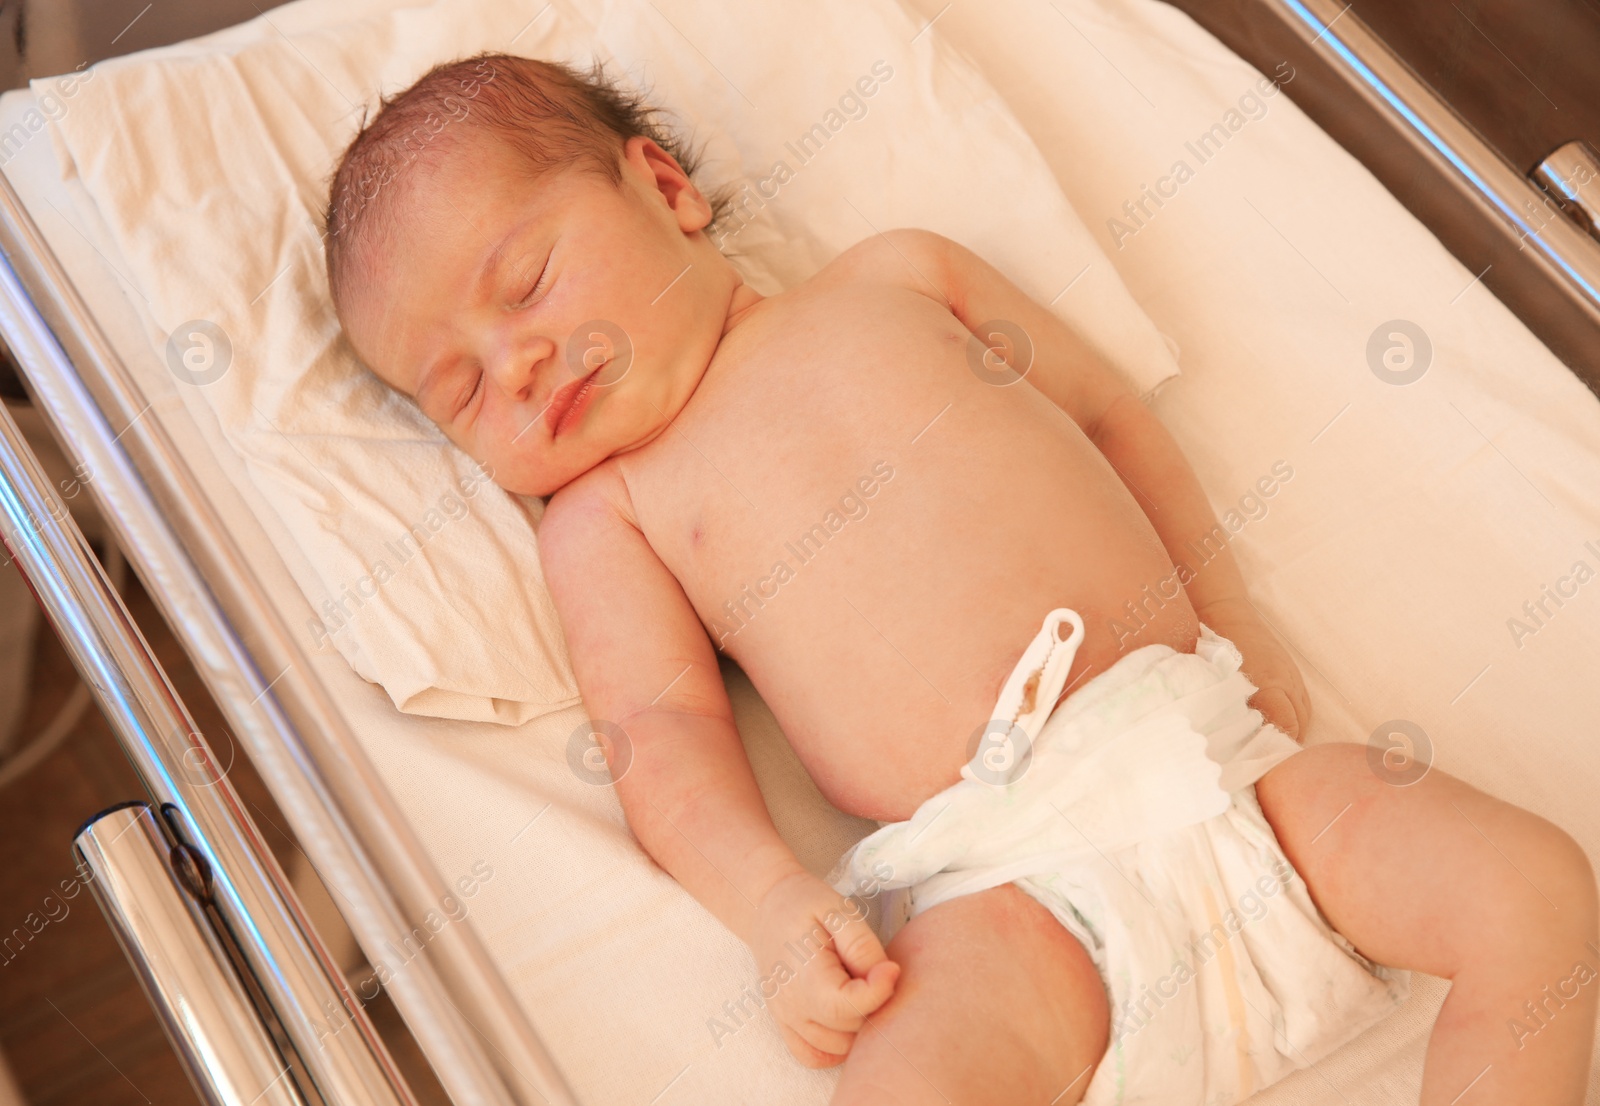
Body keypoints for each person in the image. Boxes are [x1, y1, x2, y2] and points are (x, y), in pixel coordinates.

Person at [323, 53, 1598, 1106]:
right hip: (1007, 887)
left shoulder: (900, 275)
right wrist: (773, 909)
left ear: (662, 187)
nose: (522, 362)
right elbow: (660, 737)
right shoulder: (608, 511)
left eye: (526, 281)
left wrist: (1233, 609)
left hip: (1223, 764)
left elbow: (1106, 415)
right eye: (461, 388)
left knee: (1533, 888)